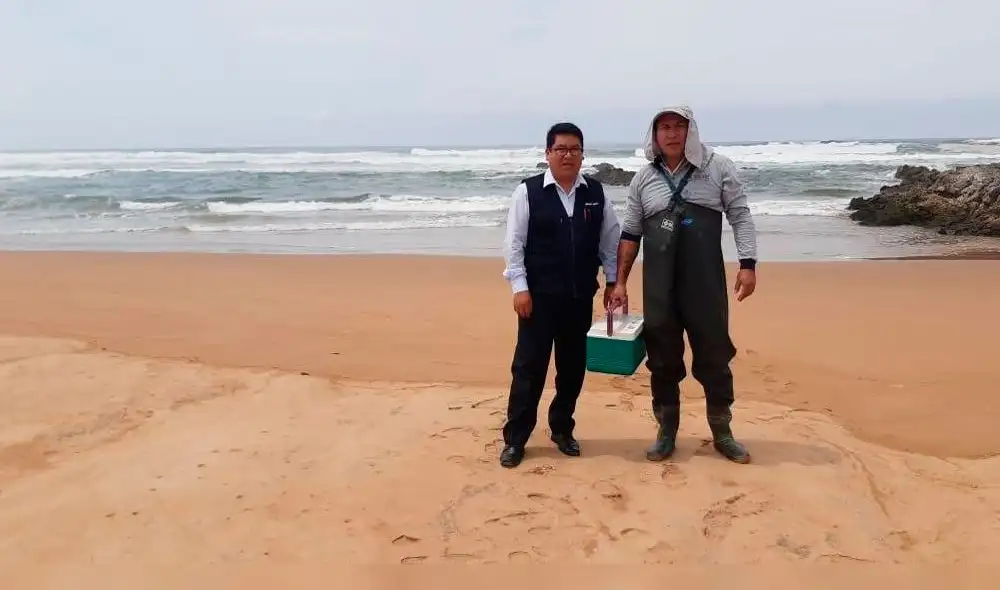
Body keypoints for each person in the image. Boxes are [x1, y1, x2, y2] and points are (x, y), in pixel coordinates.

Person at [608, 105, 758, 464]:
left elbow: (740, 215)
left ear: (691, 131)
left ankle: (723, 432)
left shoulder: (717, 167)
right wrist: (620, 283)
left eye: (679, 126)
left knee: (715, 355)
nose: (672, 133)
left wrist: (748, 263)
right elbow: (630, 233)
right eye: (664, 127)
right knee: (662, 358)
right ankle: (666, 431)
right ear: (654, 134)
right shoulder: (643, 179)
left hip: (705, 283)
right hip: (660, 286)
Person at [499, 122, 621, 468]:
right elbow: (514, 244)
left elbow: (610, 241)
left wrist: (613, 281)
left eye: (575, 149)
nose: (568, 155)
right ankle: (516, 438)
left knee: (571, 369)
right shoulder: (528, 192)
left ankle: (562, 429)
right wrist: (519, 288)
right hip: (537, 300)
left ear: (583, 154)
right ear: (548, 154)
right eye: (561, 149)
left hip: (579, 297)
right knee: (528, 369)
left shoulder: (595, 193)